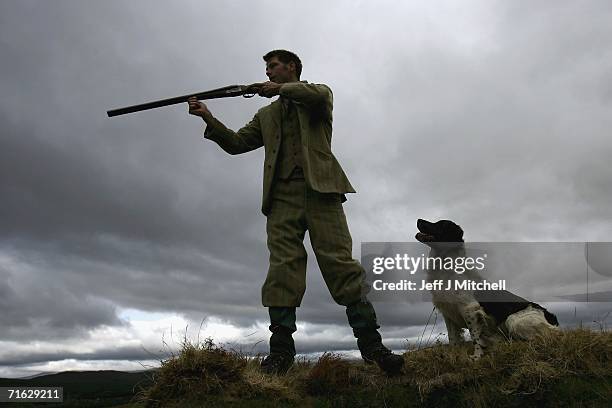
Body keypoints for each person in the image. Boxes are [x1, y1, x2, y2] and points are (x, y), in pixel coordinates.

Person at [188, 50, 403, 375]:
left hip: (322, 191)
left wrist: (281, 89)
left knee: (341, 266)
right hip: (282, 197)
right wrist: (207, 116)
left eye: (273, 65)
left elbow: (317, 93)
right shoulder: (266, 115)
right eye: (267, 68)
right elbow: (235, 143)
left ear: (292, 67)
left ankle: (374, 348)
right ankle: (281, 353)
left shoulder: (317, 97)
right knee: (282, 272)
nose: (268, 71)